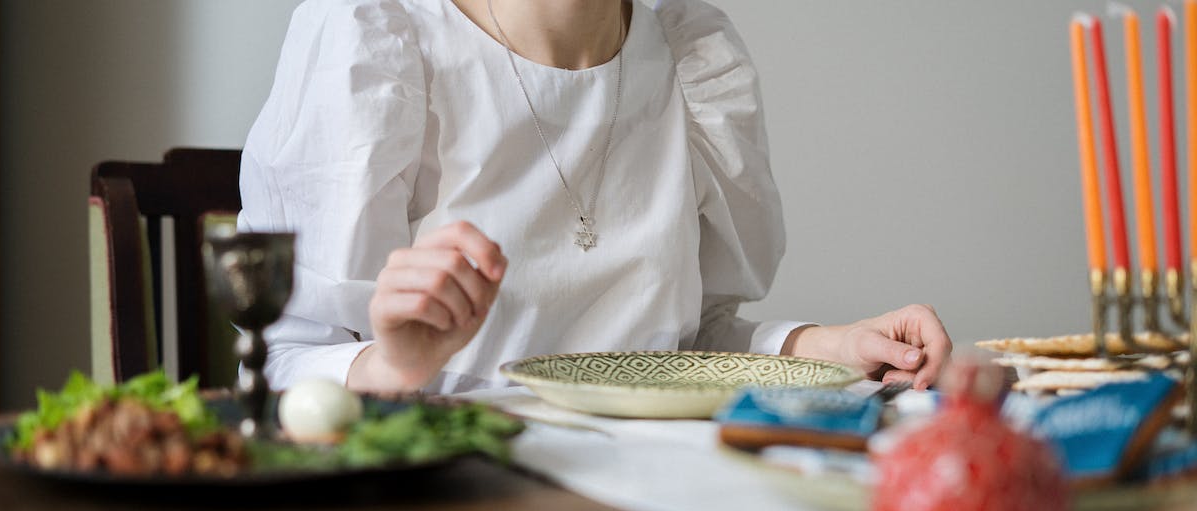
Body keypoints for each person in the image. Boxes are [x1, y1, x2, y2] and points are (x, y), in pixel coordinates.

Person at [238, 0, 952, 396]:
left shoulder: (695, 55)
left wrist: (822, 348)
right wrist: (395, 366)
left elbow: (684, 344)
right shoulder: (375, 40)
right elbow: (279, 361)